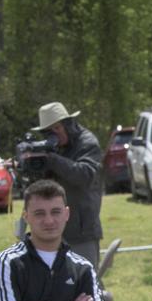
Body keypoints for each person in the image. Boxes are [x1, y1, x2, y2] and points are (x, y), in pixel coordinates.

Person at [32, 102, 104, 266]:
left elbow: (85, 175)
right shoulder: (52, 147)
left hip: (81, 229)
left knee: (86, 280)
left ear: (68, 125)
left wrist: (52, 160)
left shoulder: (87, 142)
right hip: (52, 227)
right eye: (49, 132)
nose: (54, 135)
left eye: (57, 128)